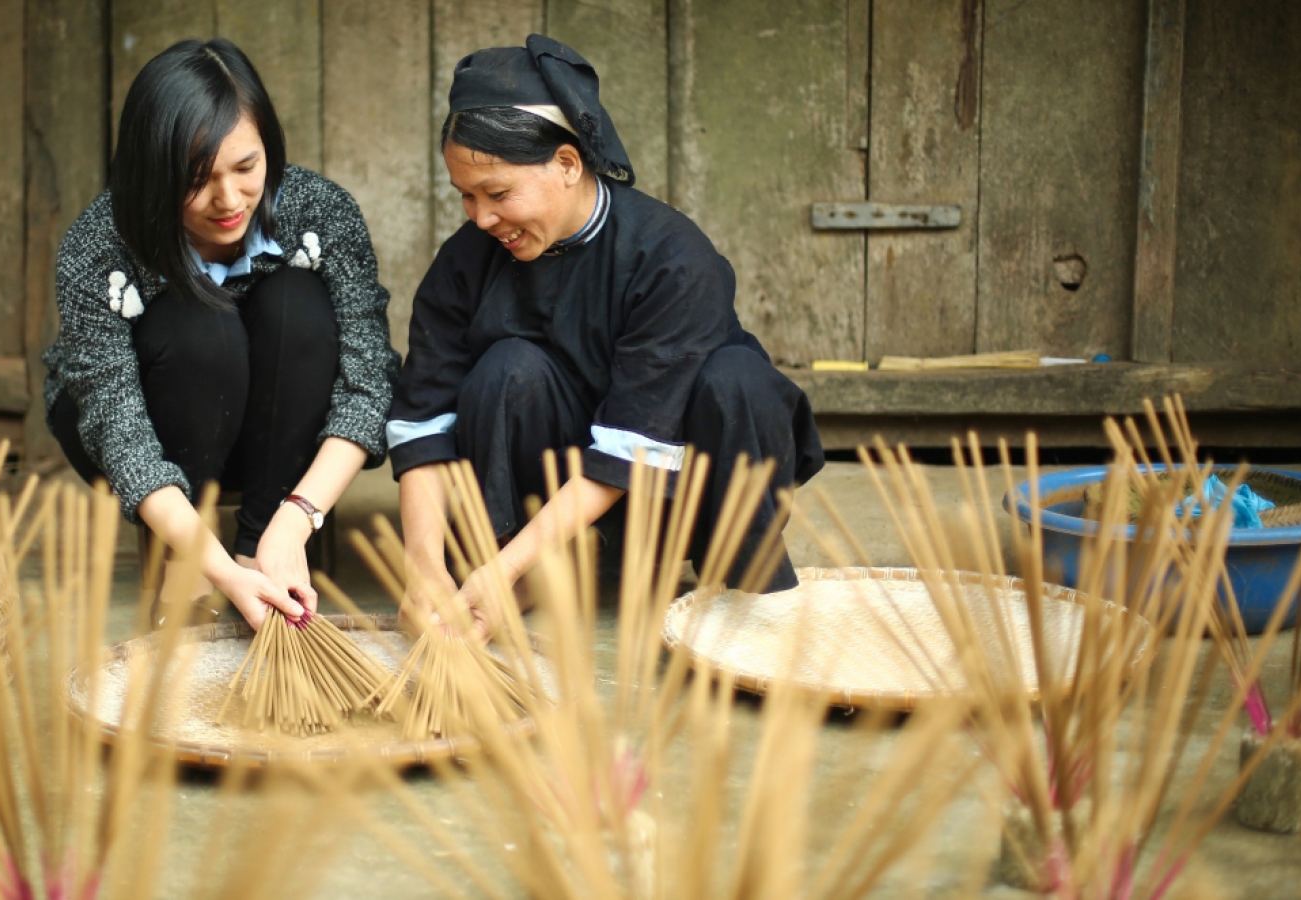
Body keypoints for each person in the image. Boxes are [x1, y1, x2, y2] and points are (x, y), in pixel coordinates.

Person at [388, 35, 824, 637]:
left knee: (736, 383)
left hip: (677, 488)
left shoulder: (671, 256)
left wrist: (497, 568)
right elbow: (422, 423)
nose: (481, 217)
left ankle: (743, 583)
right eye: (465, 195)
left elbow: (633, 444)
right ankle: (527, 571)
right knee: (507, 368)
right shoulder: (468, 259)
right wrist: (425, 569)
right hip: (556, 492)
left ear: (568, 164)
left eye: (498, 193)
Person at [42, 38, 399, 630]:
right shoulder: (98, 245)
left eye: (246, 166)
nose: (228, 200)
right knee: (199, 328)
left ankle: (260, 553)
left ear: (269, 147)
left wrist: (294, 518)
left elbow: (369, 381)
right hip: (147, 434)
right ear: (151, 171)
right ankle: (182, 575)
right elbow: (117, 426)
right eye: (196, 180)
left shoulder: (321, 213)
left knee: (299, 304)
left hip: (285, 439)